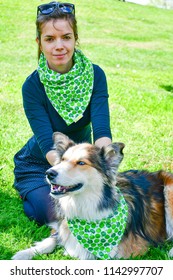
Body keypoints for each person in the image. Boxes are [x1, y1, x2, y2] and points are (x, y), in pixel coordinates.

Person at [13, 2, 112, 226]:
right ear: (39, 42)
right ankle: (31, 189)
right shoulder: (32, 86)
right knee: (55, 215)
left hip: (82, 162)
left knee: (102, 206)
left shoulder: (95, 75)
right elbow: (49, 146)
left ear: (75, 38)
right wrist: (66, 175)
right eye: (50, 39)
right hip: (41, 162)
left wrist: (105, 168)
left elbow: (102, 131)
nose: (59, 46)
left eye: (66, 37)